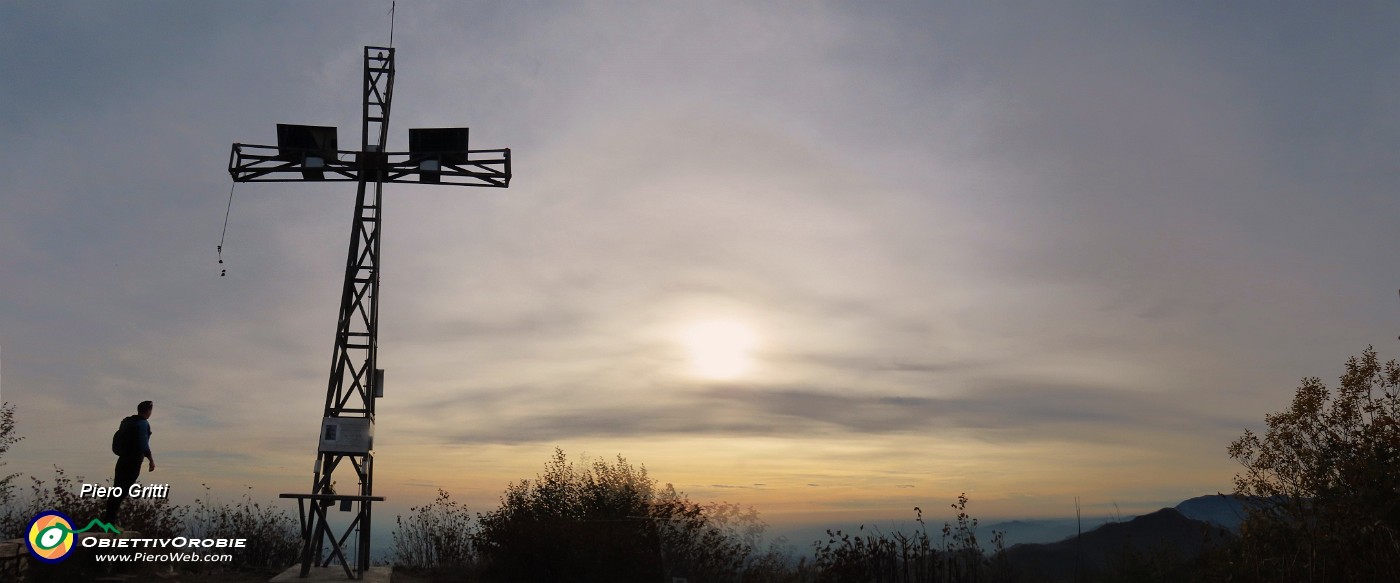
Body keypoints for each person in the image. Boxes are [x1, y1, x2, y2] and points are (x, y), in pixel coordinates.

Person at [102, 400, 155, 525]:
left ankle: (108, 521)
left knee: (117, 489)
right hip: (134, 461)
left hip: (122, 459)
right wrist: (151, 460)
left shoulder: (127, 422)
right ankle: (110, 523)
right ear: (148, 410)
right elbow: (143, 444)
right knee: (123, 490)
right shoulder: (142, 423)